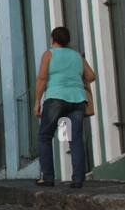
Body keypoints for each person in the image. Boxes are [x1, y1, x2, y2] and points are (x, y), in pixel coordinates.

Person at [34, 25, 97, 189]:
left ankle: (48, 177)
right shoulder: (77, 56)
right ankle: (78, 180)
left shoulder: (49, 54)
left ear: (53, 39)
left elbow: (41, 78)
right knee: (75, 139)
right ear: (67, 40)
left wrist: (37, 103)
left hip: (56, 98)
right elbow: (91, 76)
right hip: (78, 100)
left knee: (45, 137)